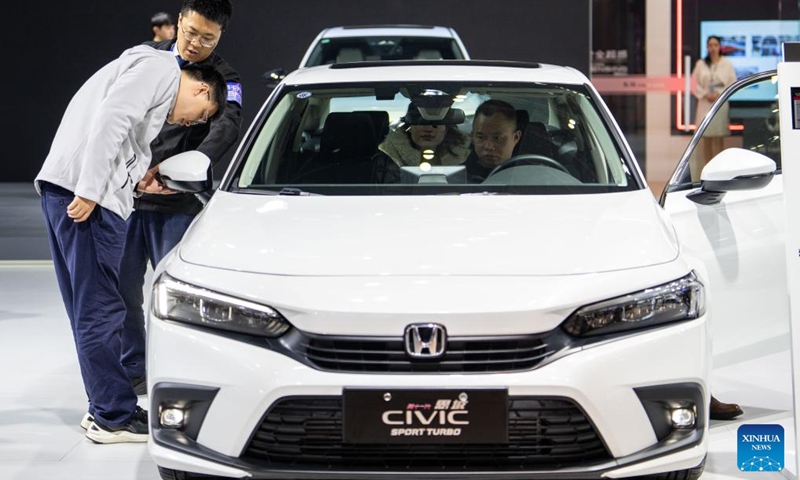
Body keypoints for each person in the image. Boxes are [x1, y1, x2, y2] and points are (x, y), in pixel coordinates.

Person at [35, 46, 226, 444]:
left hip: (67, 190)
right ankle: (112, 416)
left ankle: (105, 406)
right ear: (203, 91)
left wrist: (136, 179)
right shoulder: (161, 69)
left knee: (89, 309)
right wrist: (90, 191)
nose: (191, 123)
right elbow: (113, 118)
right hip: (87, 199)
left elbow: (119, 131)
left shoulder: (147, 72)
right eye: (202, 116)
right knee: (101, 310)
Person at [119, 0, 242, 395]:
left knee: (178, 294)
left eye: (207, 38)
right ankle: (134, 368)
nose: (194, 44)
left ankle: (179, 367)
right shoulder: (145, 58)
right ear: (178, 24)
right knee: (121, 289)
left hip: (176, 199)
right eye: (190, 33)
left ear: (220, 36)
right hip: (124, 196)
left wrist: (191, 165)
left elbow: (225, 128)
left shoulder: (225, 79)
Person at [690, 35, 738, 180]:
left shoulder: (727, 64)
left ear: (720, 47)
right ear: (707, 47)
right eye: (710, 45)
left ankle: (719, 173)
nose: (712, 48)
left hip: (720, 104)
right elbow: (693, 82)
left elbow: (732, 83)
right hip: (704, 103)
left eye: (715, 45)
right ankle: (706, 174)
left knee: (718, 139)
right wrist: (704, 94)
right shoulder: (701, 64)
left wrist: (719, 93)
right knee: (705, 139)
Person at [377, 105, 470, 168]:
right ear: (410, 127)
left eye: (436, 123)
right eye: (421, 122)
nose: (428, 128)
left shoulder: (467, 157)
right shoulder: (386, 159)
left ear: (446, 129)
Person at [464, 99, 521, 182]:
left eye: (497, 138)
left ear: (515, 138)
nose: (488, 146)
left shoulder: (534, 177)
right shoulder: (456, 178)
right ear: (472, 137)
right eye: (481, 137)